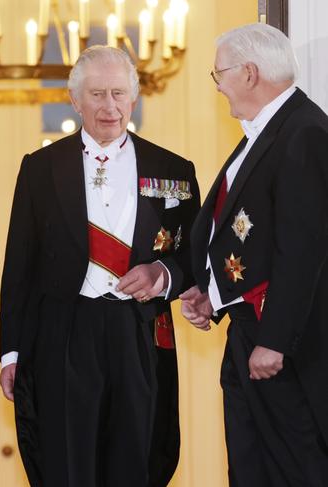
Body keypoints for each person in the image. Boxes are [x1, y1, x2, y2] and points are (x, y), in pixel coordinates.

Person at [0, 45, 200, 487]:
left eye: (118, 93)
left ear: (133, 97)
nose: (109, 106)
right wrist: (11, 351)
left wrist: (163, 276)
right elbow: (19, 268)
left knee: (137, 456)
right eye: (96, 95)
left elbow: (194, 255)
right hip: (65, 330)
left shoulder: (174, 169)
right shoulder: (40, 168)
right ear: (75, 100)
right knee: (67, 461)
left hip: (139, 330)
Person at [180, 23, 328, 486]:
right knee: (250, 470)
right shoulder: (266, 131)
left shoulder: (304, 132)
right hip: (250, 334)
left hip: (285, 349)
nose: (218, 86)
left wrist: (277, 340)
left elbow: (303, 249)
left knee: (291, 471)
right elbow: (246, 235)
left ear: (248, 72)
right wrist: (212, 292)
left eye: (218, 73)